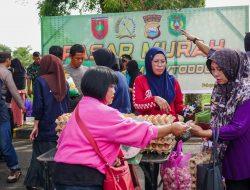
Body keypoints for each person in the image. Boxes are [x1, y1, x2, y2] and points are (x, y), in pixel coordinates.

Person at [53, 66, 188, 190]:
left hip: (62, 173)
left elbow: (74, 141)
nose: (115, 90)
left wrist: (110, 155)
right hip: (84, 178)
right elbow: (140, 131)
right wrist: (171, 128)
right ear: (101, 87)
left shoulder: (80, 108)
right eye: (111, 86)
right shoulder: (104, 112)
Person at [182, 30, 250, 190]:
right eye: (213, 69)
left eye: (220, 69)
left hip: (241, 155)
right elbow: (218, 118)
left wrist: (204, 133)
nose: (215, 74)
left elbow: (238, 128)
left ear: (231, 67)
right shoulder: (222, 87)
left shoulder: (246, 91)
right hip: (223, 152)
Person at [133, 47, 186, 190]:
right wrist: (154, 99)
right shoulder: (140, 80)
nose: (160, 64)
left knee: (170, 175)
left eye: (163, 61)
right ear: (149, 62)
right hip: (150, 135)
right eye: (156, 61)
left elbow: (179, 105)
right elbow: (137, 104)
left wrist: (186, 114)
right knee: (150, 176)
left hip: (171, 133)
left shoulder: (172, 81)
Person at [24, 55, 69, 190]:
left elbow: (39, 105)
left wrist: (35, 125)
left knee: (41, 155)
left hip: (45, 123)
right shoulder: (64, 82)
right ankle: (32, 182)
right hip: (60, 126)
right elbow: (67, 105)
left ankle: (43, 183)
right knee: (49, 154)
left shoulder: (40, 81)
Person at [0, 52, 25, 183]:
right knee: (5, 142)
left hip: (1, 111)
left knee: (4, 141)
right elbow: (14, 91)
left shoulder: (4, 73)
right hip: (3, 111)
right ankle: (15, 169)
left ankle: (15, 169)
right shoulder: (5, 72)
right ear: (8, 60)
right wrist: (22, 106)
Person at [93, 48, 131, 113]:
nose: (95, 64)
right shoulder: (120, 75)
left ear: (102, 61)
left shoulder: (108, 76)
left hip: (113, 116)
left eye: (96, 61)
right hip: (125, 114)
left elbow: (103, 102)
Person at [64, 44, 88, 112]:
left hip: (83, 107)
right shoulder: (63, 70)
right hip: (67, 106)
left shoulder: (86, 70)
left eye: (82, 58)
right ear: (70, 56)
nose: (80, 60)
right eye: (77, 58)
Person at [10, 58, 26, 127]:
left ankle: (15, 121)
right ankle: (21, 121)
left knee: (14, 108)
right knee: (20, 108)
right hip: (22, 91)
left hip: (15, 92)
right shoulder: (23, 71)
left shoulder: (12, 72)